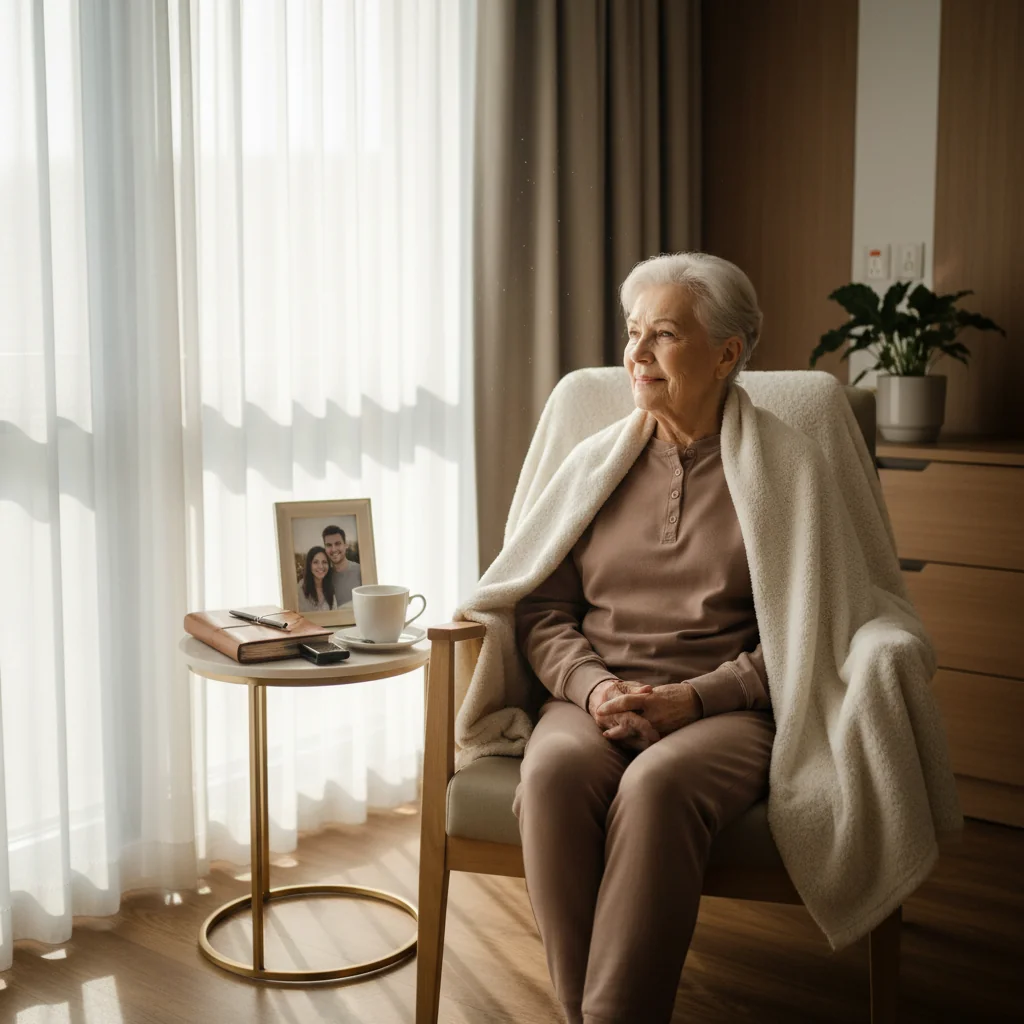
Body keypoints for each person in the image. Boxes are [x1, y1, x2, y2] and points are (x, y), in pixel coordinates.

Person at [514, 253, 773, 1024]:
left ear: (727, 353)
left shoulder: (784, 470)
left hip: (725, 710)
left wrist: (696, 699)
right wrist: (595, 688)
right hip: (596, 692)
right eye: (633, 334)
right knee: (555, 771)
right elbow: (541, 610)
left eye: (663, 334)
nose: (637, 354)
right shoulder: (597, 465)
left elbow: (811, 629)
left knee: (656, 787)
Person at [323, 524, 362, 606]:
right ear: (325, 549)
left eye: (337, 544)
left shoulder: (360, 571)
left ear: (346, 545)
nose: (333, 549)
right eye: (329, 545)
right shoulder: (323, 577)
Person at [296, 546, 336, 613]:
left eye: (324, 562)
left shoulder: (330, 589)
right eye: (315, 562)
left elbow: (335, 615)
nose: (320, 566)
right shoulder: (299, 590)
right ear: (310, 565)